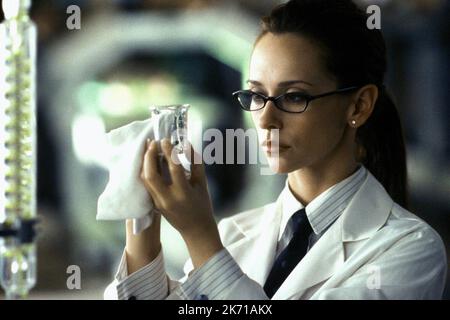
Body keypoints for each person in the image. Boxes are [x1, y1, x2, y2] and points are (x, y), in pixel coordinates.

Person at [104, 0, 447, 300]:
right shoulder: (234, 235)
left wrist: (198, 234)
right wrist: (142, 219)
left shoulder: (410, 249)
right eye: (255, 96)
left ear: (358, 106)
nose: (266, 119)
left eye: (294, 96)